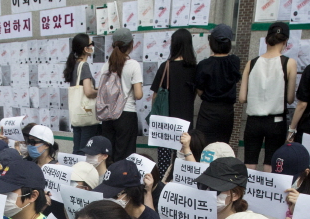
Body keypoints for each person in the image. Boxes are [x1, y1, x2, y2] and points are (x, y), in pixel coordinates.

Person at [239, 21, 297, 170]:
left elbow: (242, 98)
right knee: (270, 163)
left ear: (266, 40)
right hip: (276, 121)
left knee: (249, 162)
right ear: (285, 41)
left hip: (253, 120)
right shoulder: (289, 63)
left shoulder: (251, 63)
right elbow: (290, 98)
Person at [150, 29, 198, 178]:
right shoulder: (194, 69)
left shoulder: (166, 66)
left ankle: (163, 187)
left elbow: (155, 96)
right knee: (183, 160)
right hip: (185, 122)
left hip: (166, 122)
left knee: (164, 163)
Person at [98, 27, 143, 162]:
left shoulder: (106, 65)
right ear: (131, 45)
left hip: (107, 115)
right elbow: (138, 94)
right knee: (125, 156)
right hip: (126, 114)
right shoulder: (133, 65)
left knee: (108, 155)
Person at [194, 24, 242, 144]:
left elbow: (199, 90)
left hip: (208, 110)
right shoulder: (234, 61)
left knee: (203, 145)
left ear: (212, 43)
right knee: (222, 146)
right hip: (227, 112)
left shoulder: (204, 64)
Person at [66, 33, 100, 154]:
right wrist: (101, 92)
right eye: (92, 44)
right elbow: (88, 92)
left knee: (77, 150)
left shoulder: (73, 65)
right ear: (86, 49)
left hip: (77, 115)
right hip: (87, 117)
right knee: (85, 151)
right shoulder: (84, 66)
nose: (93, 46)